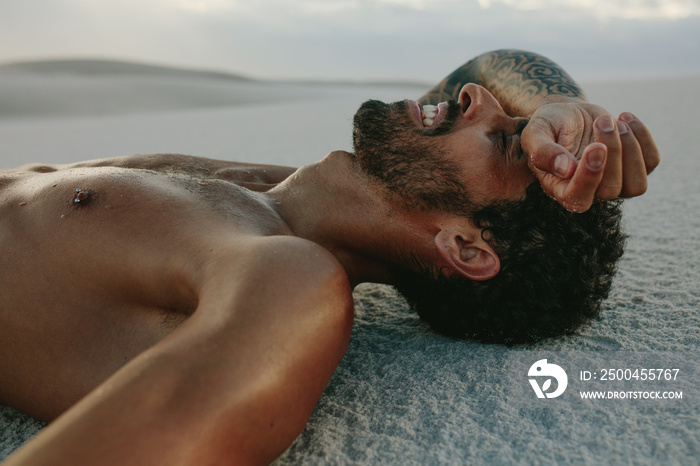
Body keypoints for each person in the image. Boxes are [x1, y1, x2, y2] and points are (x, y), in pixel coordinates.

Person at [1, 50, 658, 465]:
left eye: (503, 139)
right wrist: (561, 110)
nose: (477, 97)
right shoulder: (270, 191)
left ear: (463, 245)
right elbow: (496, 66)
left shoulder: (283, 278)